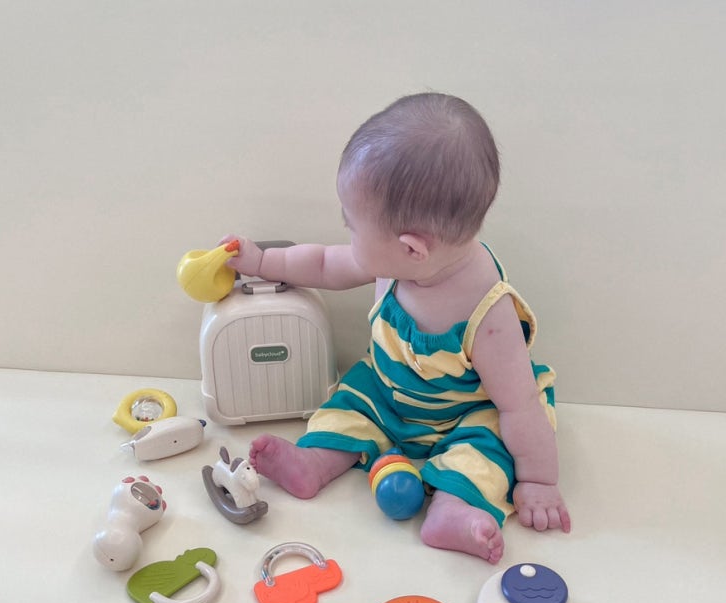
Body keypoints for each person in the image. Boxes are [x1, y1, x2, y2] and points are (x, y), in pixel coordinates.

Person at [223, 92, 570, 563]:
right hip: (387, 395)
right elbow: (323, 263)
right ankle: (315, 461)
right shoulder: (396, 262)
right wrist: (262, 261)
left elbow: (519, 406)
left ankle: (453, 509)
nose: (347, 236)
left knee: (486, 452)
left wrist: (539, 482)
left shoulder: (488, 314)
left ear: (412, 249)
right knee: (349, 402)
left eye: (352, 226)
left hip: (462, 416)